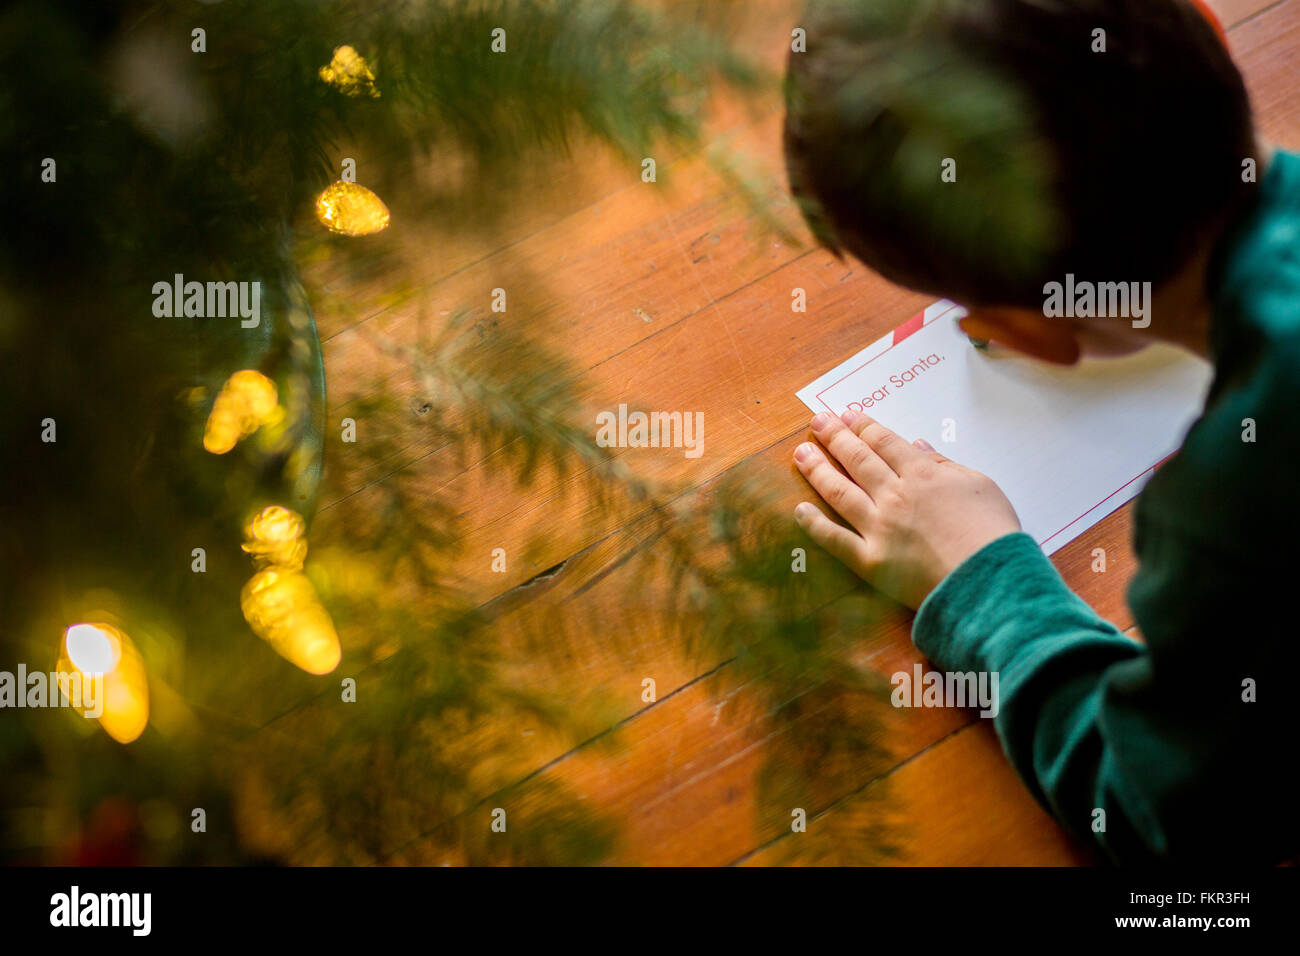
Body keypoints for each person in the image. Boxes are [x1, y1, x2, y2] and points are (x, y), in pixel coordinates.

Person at [783, 0, 1299, 862]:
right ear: (1208, 27)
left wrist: (981, 580)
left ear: (1023, 333)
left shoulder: (1237, 496)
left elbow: (1163, 815)